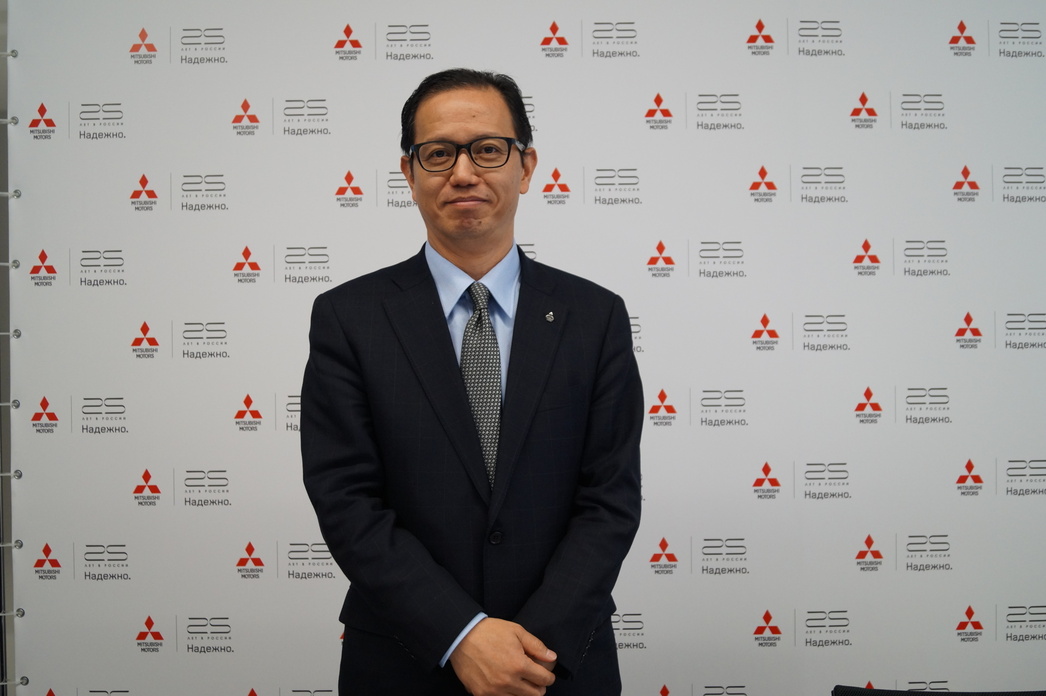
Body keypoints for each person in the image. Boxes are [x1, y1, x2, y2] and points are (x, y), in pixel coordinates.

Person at [301, 68, 643, 696]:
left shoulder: (595, 318)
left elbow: (610, 497)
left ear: (526, 166)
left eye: (487, 149)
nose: (463, 173)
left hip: (558, 661)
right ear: (409, 173)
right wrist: (461, 635)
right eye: (438, 154)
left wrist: (529, 647)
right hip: (404, 660)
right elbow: (345, 498)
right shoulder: (350, 318)